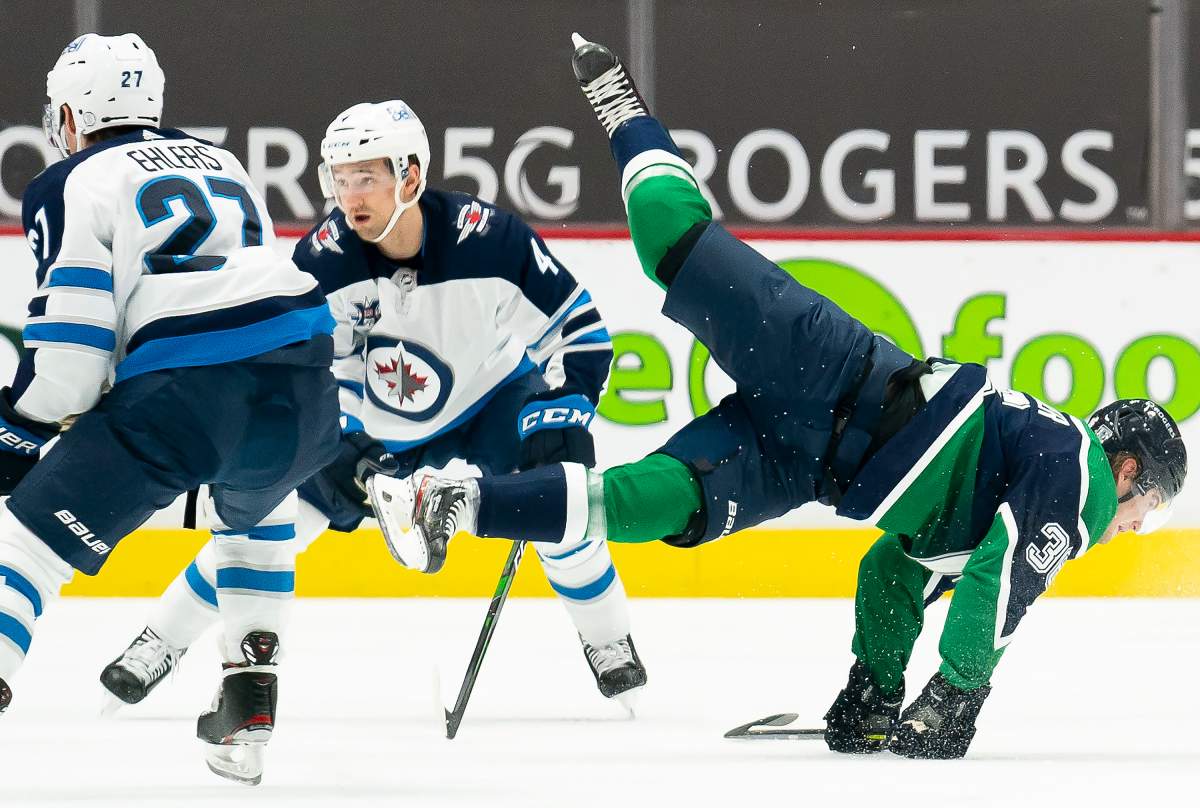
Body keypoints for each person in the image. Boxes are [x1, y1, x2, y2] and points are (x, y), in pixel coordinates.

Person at [367, 35, 1188, 759]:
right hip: (833, 375)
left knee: (658, 505)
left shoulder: (1026, 472)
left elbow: (893, 570)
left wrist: (877, 686)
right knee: (678, 244)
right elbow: (999, 583)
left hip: (805, 462)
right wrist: (959, 691)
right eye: (1146, 504)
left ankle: (460, 503)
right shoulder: (1077, 481)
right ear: (1125, 469)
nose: (1137, 525)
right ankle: (627, 115)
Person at [100, 99, 647, 713]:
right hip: (377, 431)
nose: (349, 194)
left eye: (366, 177)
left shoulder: (491, 241)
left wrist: (566, 409)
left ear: (410, 177)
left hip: (492, 399)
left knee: (556, 502)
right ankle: (160, 642)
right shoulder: (323, 261)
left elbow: (580, 331)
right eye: (339, 178)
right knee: (269, 522)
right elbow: (315, 371)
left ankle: (609, 641)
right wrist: (343, 436)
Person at [0, 34, 341, 785]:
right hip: (309, 382)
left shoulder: (71, 180)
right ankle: (250, 691)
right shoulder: (223, 165)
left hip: (191, 394)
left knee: (21, 547)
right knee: (259, 513)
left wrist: (16, 435)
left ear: (68, 112)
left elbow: (71, 363)